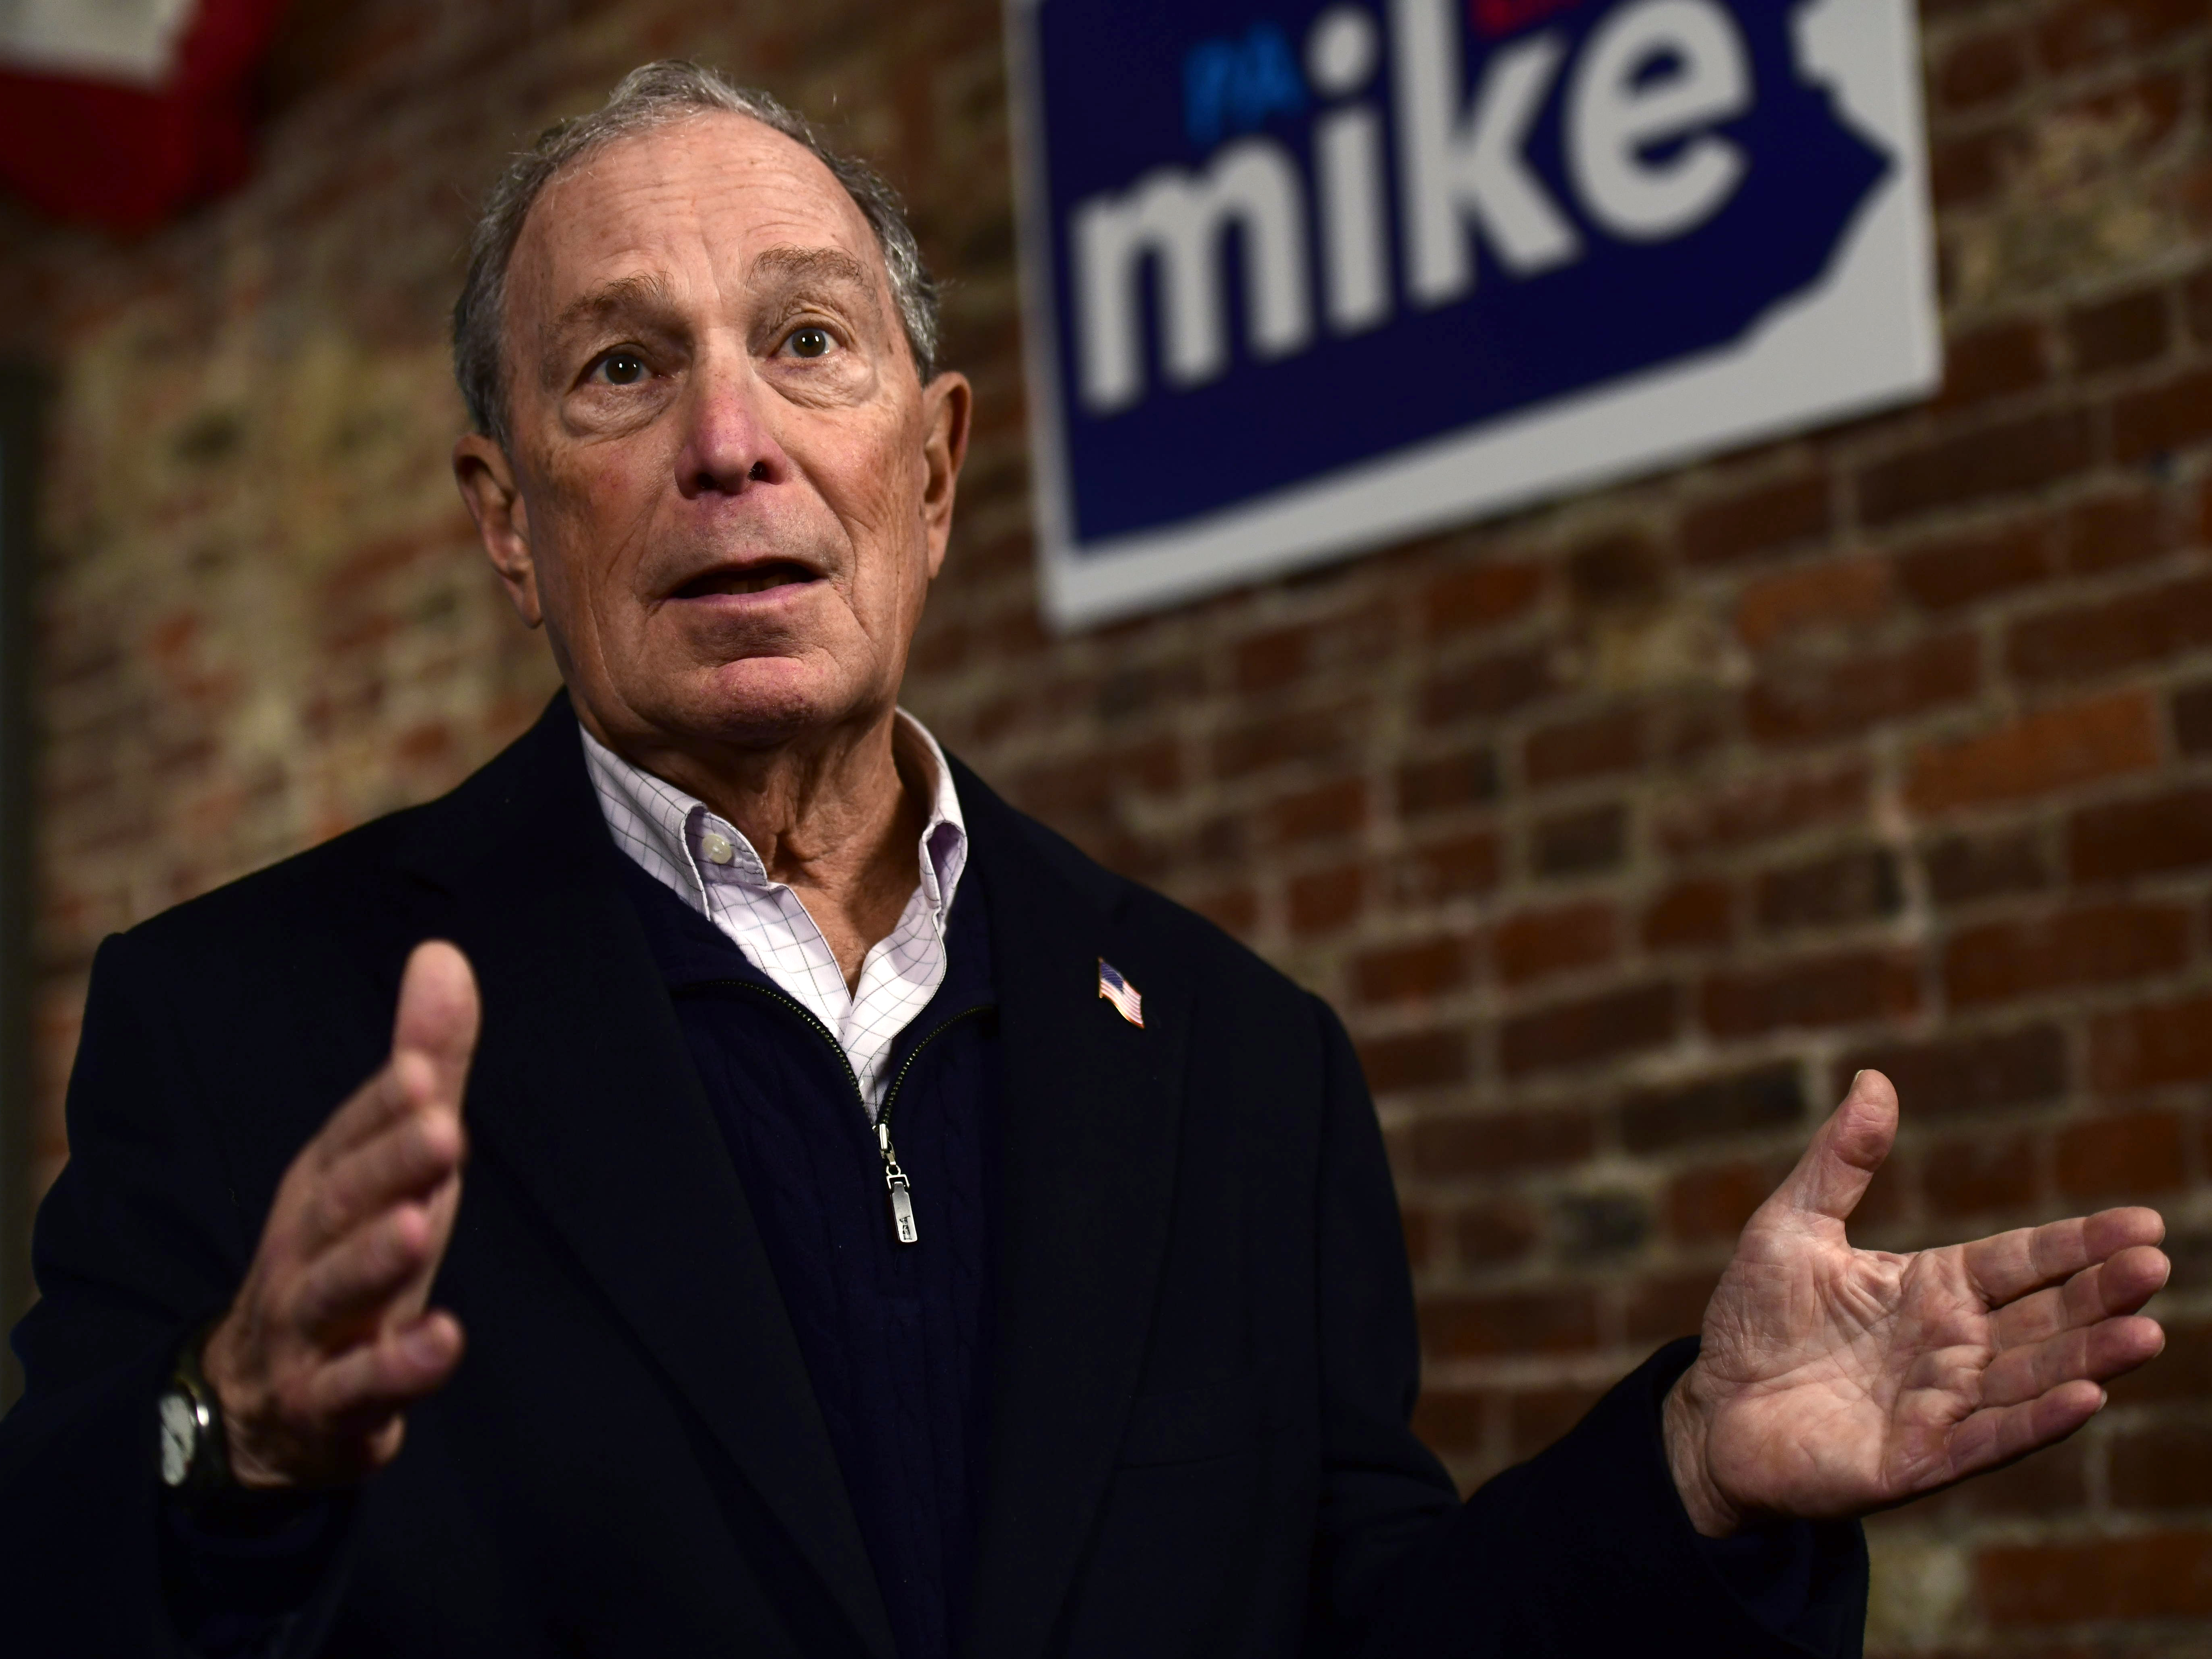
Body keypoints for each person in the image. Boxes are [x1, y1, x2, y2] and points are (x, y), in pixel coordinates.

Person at [0, 62, 2171, 1659]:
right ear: (506, 518)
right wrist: (232, 1430)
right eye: (623, 369)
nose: (729, 439)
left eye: (808, 342)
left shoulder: (1242, 1063)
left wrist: (1692, 1474)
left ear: (930, 468)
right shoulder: (245, 1024)